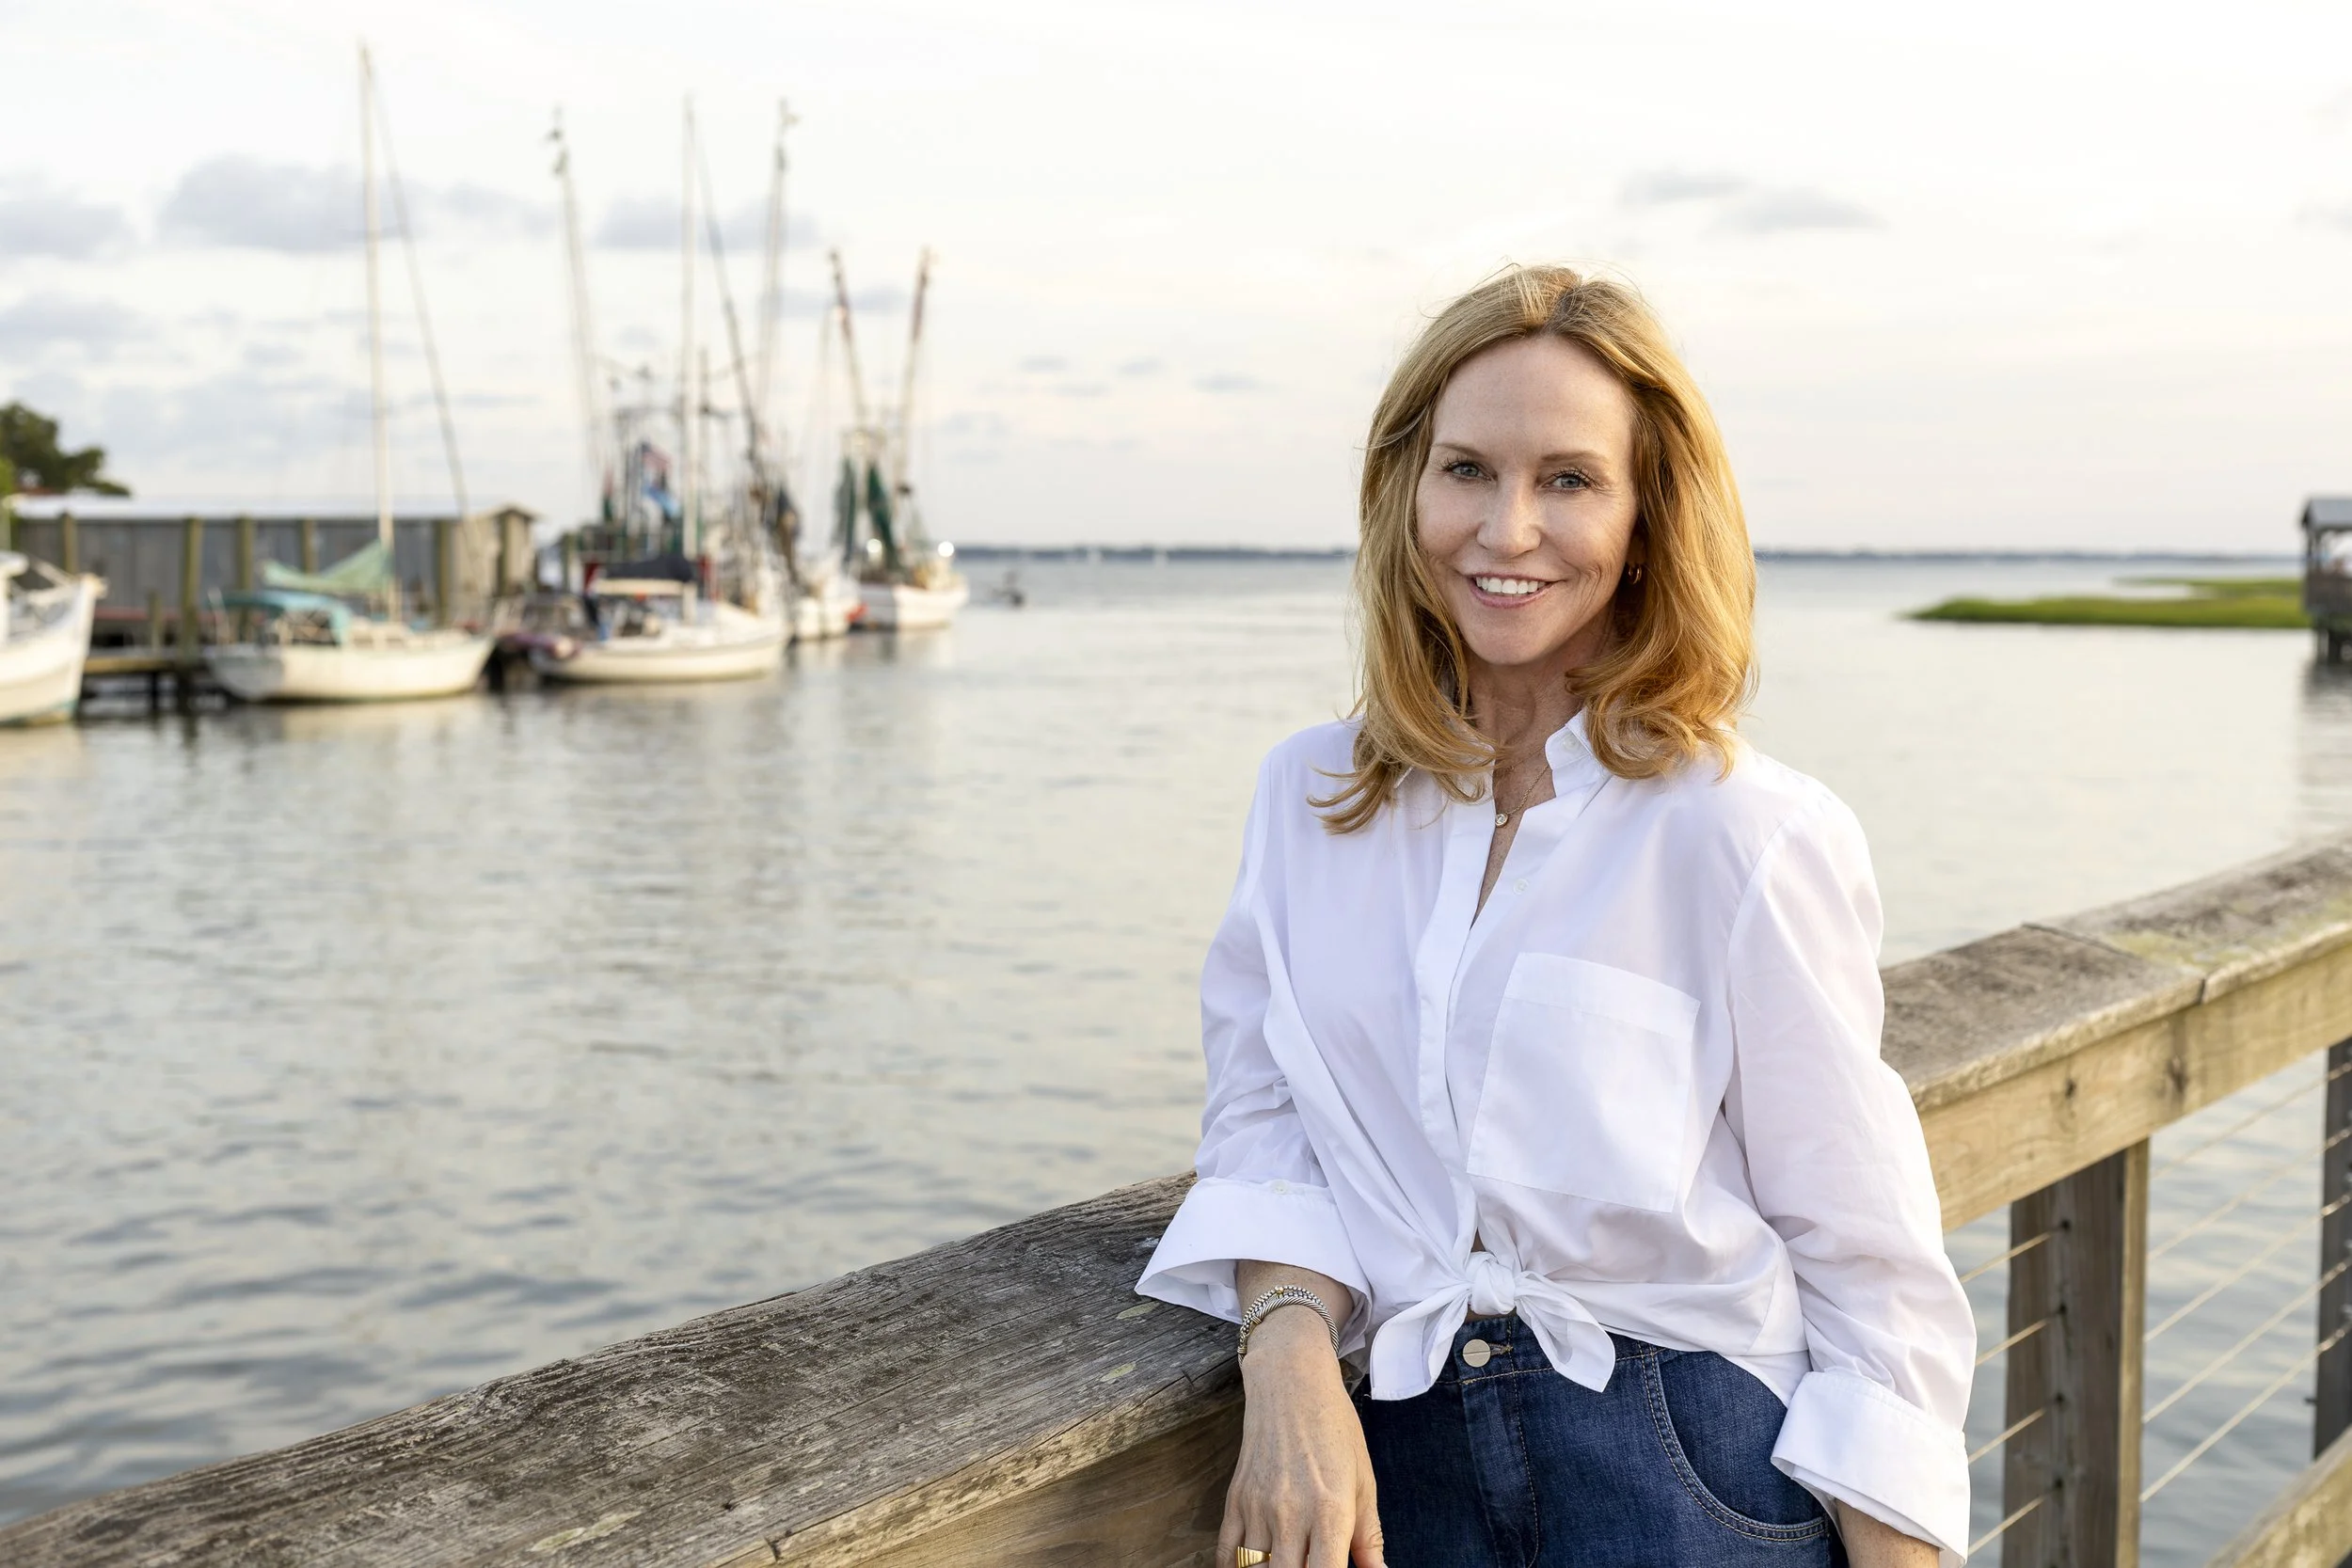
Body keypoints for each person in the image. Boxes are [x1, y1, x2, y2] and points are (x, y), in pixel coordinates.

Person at [1136, 265, 1973, 1568]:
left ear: (1646, 520)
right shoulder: (1307, 797)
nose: (1507, 527)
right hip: (1392, 1471)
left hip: (1686, 1470)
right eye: (1468, 469)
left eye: (1570, 480)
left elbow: (1863, 1250)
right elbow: (1268, 1115)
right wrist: (1287, 1350)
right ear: (1406, 488)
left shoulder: (1747, 829)